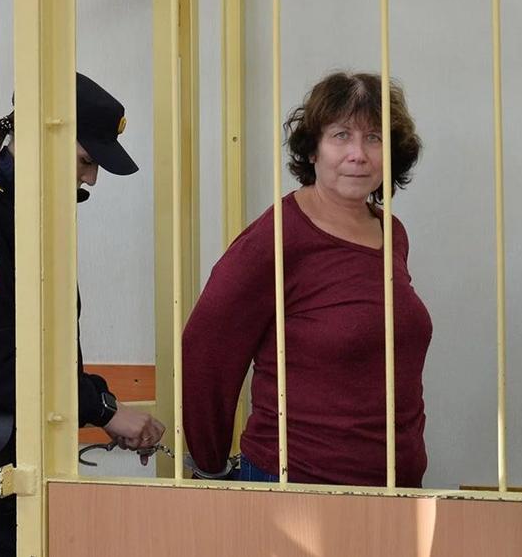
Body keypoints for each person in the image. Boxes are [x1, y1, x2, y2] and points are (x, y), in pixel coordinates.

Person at [0, 73, 166, 556]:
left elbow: (44, 351)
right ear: (42, 135)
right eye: (86, 161)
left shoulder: (24, 214)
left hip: (14, 467)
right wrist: (103, 410)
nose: (91, 179)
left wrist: (98, 404)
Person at [182, 71, 432, 486]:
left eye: (374, 138)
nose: (358, 154)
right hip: (297, 485)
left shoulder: (391, 232)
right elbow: (206, 347)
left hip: (395, 486)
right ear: (313, 149)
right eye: (341, 135)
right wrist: (209, 464)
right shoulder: (276, 237)